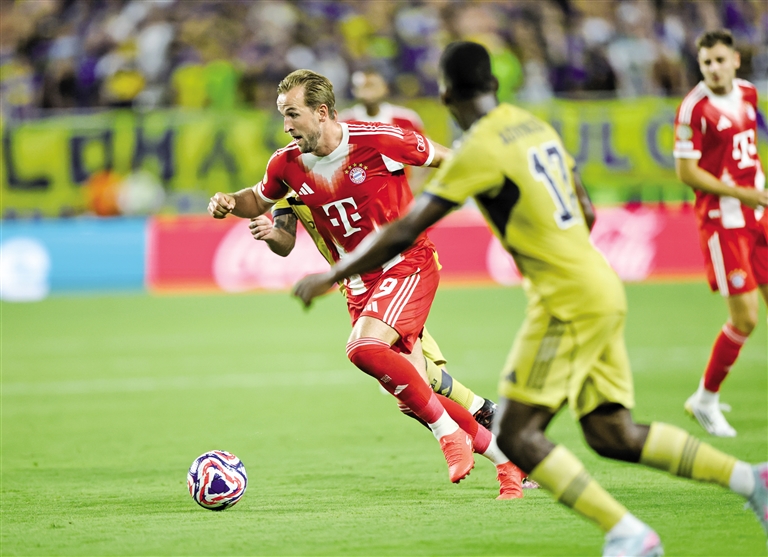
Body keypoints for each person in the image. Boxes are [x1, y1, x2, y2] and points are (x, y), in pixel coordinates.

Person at [292, 41, 768, 556]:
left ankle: (628, 533)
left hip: (564, 299)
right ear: (495, 85)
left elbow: (407, 228)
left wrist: (331, 274)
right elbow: (586, 209)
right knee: (611, 431)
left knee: (517, 434)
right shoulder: (532, 125)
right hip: (600, 282)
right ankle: (751, 480)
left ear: (446, 95)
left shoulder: (479, 148)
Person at [208, 69, 525, 498]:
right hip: (358, 285)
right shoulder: (286, 165)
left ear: (322, 112)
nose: (285, 125)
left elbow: (451, 160)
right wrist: (231, 202)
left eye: (293, 114)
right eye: (283, 115)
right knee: (412, 394)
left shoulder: (379, 139)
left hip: (406, 264)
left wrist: (497, 189)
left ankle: (450, 433)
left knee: (363, 348)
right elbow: (258, 200)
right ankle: (506, 460)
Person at [248, 201, 499, 429]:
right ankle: (484, 422)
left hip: (393, 271)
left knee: (409, 385)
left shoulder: (348, 168)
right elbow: (284, 241)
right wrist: (272, 233)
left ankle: (485, 423)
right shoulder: (286, 177)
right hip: (356, 286)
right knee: (415, 389)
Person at [673, 29, 768, 438]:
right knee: (745, 318)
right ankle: (705, 400)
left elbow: (746, 151)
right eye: (706, 62)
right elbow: (686, 172)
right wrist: (741, 192)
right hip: (723, 222)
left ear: (735, 60)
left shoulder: (748, 93)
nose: (713, 68)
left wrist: (755, 189)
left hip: (757, 214)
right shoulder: (693, 109)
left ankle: (706, 400)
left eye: (719, 60)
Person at [337, 68, 431, 189]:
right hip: (361, 195)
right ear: (354, 91)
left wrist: (414, 185)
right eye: (364, 86)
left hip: (399, 194)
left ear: (385, 88)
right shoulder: (344, 122)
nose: (369, 91)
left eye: (373, 85)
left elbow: (428, 153)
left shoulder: (405, 119)